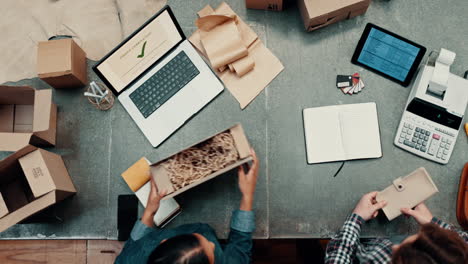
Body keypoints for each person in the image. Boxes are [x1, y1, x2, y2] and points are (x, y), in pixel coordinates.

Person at [115, 148, 259, 264]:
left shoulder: (132, 258)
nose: (214, 245)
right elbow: (240, 249)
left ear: (162, 242)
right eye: (212, 253)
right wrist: (247, 196)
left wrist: (150, 212)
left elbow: (134, 246)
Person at [325, 191, 468, 264]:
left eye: (399, 256)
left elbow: (337, 260)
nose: (394, 247)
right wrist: (433, 225)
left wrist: (356, 218)